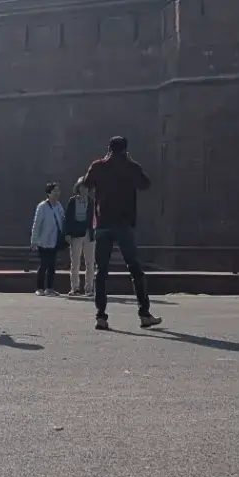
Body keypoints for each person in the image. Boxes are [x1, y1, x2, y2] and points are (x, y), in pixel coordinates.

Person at [77, 136, 162, 331]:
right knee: (135, 270)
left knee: (101, 272)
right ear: (125, 150)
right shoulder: (131, 167)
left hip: (104, 224)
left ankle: (101, 316)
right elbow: (145, 184)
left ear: (109, 148)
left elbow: (87, 184)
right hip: (123, 225)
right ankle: (144, 313)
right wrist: (129, 162)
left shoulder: (98, 166)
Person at [30, 183, 66, 296]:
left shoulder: (59, 206)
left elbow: (62, 220)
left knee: (52, 265)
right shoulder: (42, 206)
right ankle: (39, 288)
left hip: (55, 240)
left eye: (58, 191)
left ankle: (50, 288)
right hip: (44, 241)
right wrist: (34, 240)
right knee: (44, 264)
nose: (57, 193)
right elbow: (37, 224)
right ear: (48, 193)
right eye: (54, 191)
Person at [61, 182, 96, 296]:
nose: (84, 190)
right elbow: (67, 217)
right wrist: (67, 233)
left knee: (90, 262)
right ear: (78, 188)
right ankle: (75, 288)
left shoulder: (92, 201)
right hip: (76, 234)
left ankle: (89, 288)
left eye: (86, 187)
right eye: (82, 187)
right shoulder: (73, 201)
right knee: (75, 262)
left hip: (89, 234)